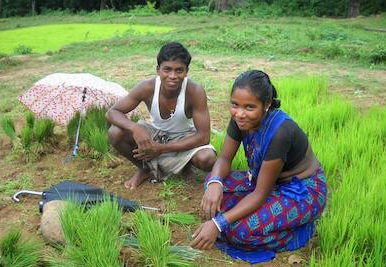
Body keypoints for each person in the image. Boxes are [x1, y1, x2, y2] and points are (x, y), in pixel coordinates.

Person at [191, 70, 327, 252]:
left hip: (300, 190)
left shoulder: (280, 133)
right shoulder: (240, 121)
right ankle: (252, 215)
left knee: (240, 231)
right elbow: (224, 159)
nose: (239, 113)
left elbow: (260, 194)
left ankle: (299, 229)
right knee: (211, 183)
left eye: (249, 107)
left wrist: (218, 223)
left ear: (267, 104)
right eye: (234, 105)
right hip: (262, 181)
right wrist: (215, 182)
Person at [106, 42, 216, 189]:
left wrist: (162, 148)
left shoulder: (194, 91)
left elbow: (203, 137)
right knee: (115, 132)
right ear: (158, 70)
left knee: (207, 158)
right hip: (156, 133)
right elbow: (112, 112)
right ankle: (145, 169)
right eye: (167, 70)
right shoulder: (147, 87)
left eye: (179, 70)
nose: (173, 76)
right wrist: (135, 128)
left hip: (184, 136)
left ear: (186, 71)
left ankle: (185, 167)